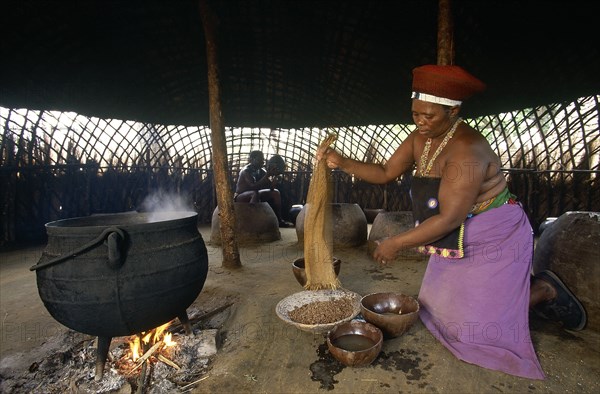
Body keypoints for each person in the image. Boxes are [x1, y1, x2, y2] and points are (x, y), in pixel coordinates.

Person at [317, 64, 587, 379]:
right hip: (460, 231)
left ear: (453, 111)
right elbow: (386, 173)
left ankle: (544, 290)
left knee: (480, 330)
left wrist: (396, 242)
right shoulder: (420, 136)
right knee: (436, 313)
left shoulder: (467, 150)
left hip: (494, 230)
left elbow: (449, 218)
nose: (420, 121)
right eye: (415, 113)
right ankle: (508, 292)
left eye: (428, 116)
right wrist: (342, 162)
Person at [234, 150, 293, 227]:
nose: (262, 162)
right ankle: (253, 222)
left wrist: (275, 178)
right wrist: (267, 175)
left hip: (256, 194)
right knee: (255, 193)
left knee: (275, 192)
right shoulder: (246, 171)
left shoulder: (261, 171)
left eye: (263, 160)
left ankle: (279, 220)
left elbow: (270, 187)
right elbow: (253, 186)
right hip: (240, 197)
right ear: (252, 159)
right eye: (260, 160)